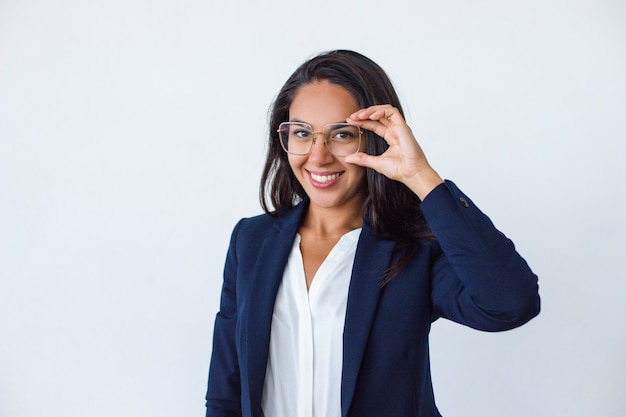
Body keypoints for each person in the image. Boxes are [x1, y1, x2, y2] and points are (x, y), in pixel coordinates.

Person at [205, 50, 540, 417]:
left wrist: (420, 177)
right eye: (302, 133)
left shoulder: (413, 248)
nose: (318, 157)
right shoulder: (251, 241)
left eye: (342, 134)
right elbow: (226, 392)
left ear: (375, 139)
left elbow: (510, 304)